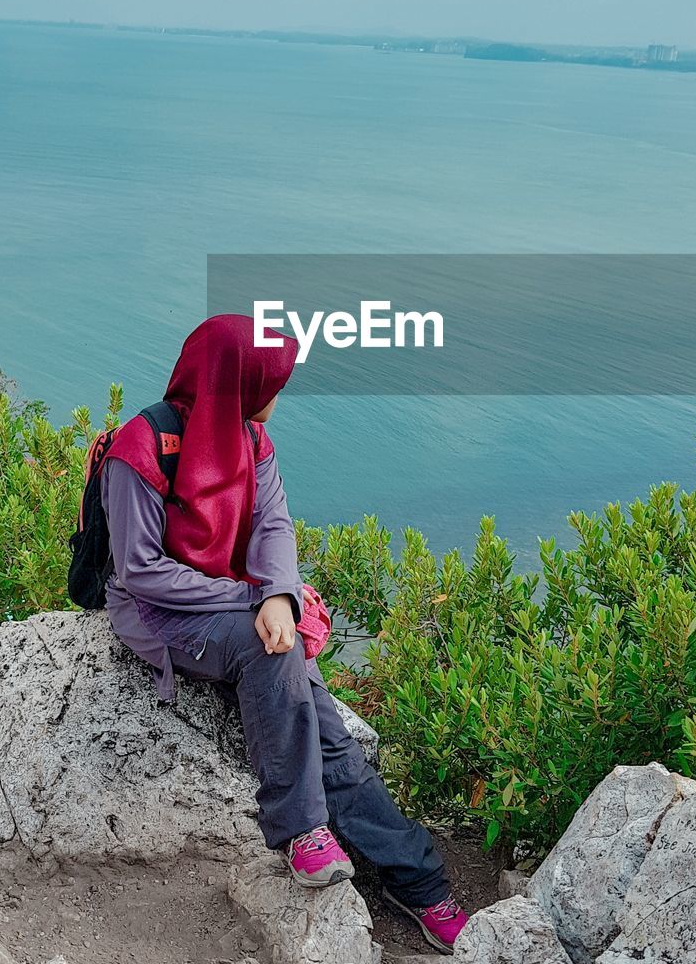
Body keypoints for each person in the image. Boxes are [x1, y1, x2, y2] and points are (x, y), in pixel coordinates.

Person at [100, 314, 469, 954]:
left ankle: (418, 879)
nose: (279, 394)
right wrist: (256, 601)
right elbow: (140, 571)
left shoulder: (249, 439)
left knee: (325, 732)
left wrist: (278, 593)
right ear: (235, 380)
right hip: (163, 613)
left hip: (240, 601)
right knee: (271, 647)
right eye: (271, 381)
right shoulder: (141, 450)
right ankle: (301, 831)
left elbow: (274, 525)